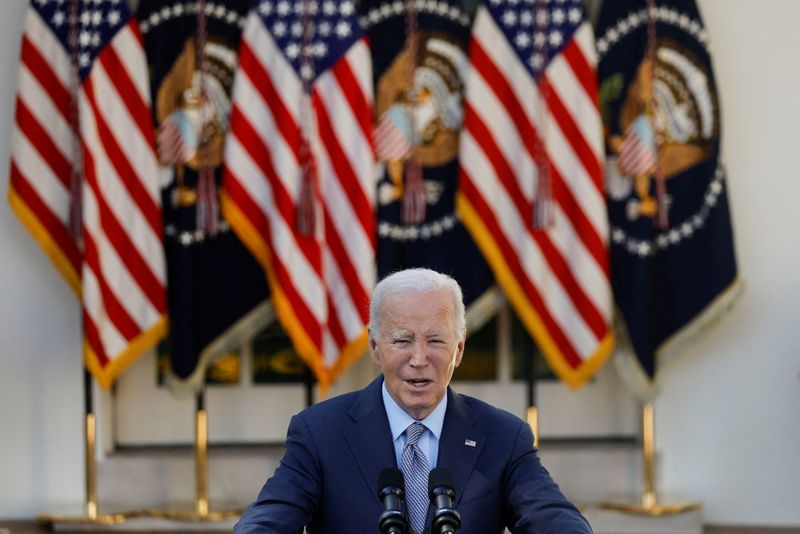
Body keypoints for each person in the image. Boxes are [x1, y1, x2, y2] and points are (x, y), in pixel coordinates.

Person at [235, 268, 592, 533]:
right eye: (403, 341)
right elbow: (268, 522)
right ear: (375, 348)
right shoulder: (319, 433)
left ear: (459, 350)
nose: (419, 358)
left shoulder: (504, 437)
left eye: (436, 341)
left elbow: (554, 519)